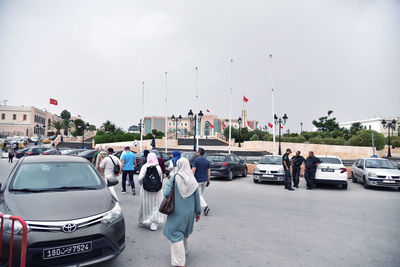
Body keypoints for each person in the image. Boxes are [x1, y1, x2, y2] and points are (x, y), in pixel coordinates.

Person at [163, 158, 201, 267]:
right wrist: (198, 213)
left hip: (176, 212)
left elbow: (166, 194)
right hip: (189, 213)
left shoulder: (175, 178)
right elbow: (197, 199)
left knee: (176, 235)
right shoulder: (193, 180)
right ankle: (185, 250)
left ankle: (179, 262)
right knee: (184, 232)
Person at [138, 152, 165, 231]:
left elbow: (140, 178)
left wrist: (142, 185)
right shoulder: (158, 167)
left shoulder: (144, 167)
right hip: (157, 191)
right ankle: (154, 223)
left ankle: (143, 221)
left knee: (145, 205)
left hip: (145, 190)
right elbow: (161, 179)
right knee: (155, 206)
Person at [192, 148, 211, 215]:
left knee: (198, 195)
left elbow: (193, 170)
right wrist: (208, 180)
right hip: (205, 180)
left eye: (196, 152)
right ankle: (196, 207)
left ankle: (205, 207)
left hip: (198, 180)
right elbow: (208, 171)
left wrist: (191, 178)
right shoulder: (207, 161)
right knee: (199, 195)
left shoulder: (196, 160)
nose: (195, 153)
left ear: (199, 153)